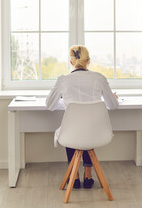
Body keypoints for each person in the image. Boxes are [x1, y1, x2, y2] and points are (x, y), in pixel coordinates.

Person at [46, 45, 119, 189]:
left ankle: (74, 177)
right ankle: (88, 175)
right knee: (88, 126)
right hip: (95, 133)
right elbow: (113, 105)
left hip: (71, 134)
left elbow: (50, 105)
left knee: (72, 129)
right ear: (88, 60)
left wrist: (67, 101)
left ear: (71, 62)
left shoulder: (63, 80)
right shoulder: (99, 78)